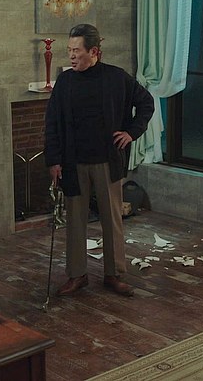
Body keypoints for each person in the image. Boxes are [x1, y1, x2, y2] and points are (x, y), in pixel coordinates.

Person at [44, 24, 154, 297]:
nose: (71, 56)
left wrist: (131, 132)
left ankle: (113, 274)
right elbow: (52, 122)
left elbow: (146, 103)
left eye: (76, 51)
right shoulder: (65, 82)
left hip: (107, 160)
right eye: (69, 50)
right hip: (73, 162)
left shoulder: (116, 78)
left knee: (112, 220)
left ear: (94, 51)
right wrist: (54, 160)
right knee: (75, 221)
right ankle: (77, 274)